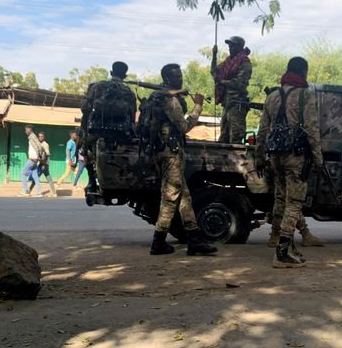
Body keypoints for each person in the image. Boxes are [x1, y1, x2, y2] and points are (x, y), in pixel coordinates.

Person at [256, 56, 323, 268]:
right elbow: (312, 129)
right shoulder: (305, 95)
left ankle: (285, 243)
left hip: (275, 155)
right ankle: (282, 252)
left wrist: (259, 157)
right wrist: (318, 158)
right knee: (294, 203)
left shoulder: (272, 97)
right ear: (303, 73)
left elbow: (263, 131)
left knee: (283, 199)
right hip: (296, 156)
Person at [149, 63, 217, 257]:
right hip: (171, 153)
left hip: (163, 152)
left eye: (181, 75)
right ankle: (158, 241)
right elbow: (183, 126)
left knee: (184, 197)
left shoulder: (158, 96)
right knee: (171, 198)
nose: (181, 78)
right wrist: (198, 107)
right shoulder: (170, 100)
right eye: (177, 76)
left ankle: (194, 240)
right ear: (168, 78)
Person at [80, 61, 137, 193]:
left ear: (111, 73)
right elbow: (132, 117)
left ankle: (91, 181)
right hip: (120, 134)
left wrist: (84, 133)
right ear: (125, 75)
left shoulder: (97, 87)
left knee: (86, 151)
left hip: (97, 131)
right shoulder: (128, 92)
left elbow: (86, 110)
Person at [213, 36, 252, 144]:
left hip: (237, 104)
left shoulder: (244, 62)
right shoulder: (228, 62)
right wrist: (214, 55)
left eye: (233, 46)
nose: (230, 48)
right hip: (227, 103)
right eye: (230, 46)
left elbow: (240, 83)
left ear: (240, 47)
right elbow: (215, 73)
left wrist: (222, 82)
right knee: (223, 137)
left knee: (236, 137)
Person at [19, 124, 43, 197]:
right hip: (34, 159)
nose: (25, 131)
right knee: (35, 176)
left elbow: (39, 146)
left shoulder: (32, 136)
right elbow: (38, 146)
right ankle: (39, 193)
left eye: (26, 130)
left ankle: (26, 191)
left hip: (33, 159)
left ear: (30, 130)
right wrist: (38, 156)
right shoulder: (31, 137)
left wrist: (37, 156)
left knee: (23, 173)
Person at [31, 131, 56, 196]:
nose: (40, 138)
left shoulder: (45, 144)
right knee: (48, 177)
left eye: (42, 136)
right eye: (39, 136)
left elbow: (47, 155)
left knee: (36, 177)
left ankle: (29, 191)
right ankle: (54, 193)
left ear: (44, 137)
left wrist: (44, 164)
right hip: (41, 163)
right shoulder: (38, 144)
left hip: (43, 164)